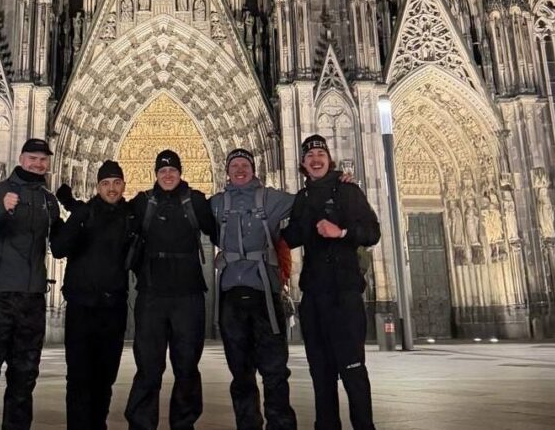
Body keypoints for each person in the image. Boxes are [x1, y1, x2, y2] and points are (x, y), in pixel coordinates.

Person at [0, 138, 61, 430]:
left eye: (43, 159)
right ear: (20, 158)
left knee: (24, 378)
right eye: (32, 158)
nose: (38, 164)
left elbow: (60, 240)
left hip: (31, 300)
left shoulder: (48, 199)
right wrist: (1, 209)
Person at [282, 135, 380, 430]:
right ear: (302, 164)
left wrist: (341, 233)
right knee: (320, 373)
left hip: (345, 294)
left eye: (321, 153)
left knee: (352, 369)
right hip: (314, 296)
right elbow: (291, 236)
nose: (315, 159)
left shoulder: (348, 191)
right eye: (310, 155)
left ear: (329, 159)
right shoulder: (302, 198)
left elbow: (372, 232)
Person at [124, 150, 216, 430]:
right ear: (155, 173)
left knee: (187, 367)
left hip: (188, 294)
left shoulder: (196, 201)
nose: (167, 175)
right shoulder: (142, 203)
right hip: (152, 294)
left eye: (172, 170)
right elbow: (111, 216)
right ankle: (141, 424)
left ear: (180, 172)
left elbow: (223, 228)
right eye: (162, 170)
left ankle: (184, 424)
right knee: (148, 369)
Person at [209, 149, 297, 430]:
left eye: (244, 165)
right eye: (234, 165)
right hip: (232, 298)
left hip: (265, 296)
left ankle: (281, 425)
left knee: (274, 371)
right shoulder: (216, 204)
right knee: (241, 373)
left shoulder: (270, 198)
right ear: (227, 172)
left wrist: (338, 181)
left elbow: (307, 202)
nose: (239, 169)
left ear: (253, 168)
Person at [51, 160, 134, 430]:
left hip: (113, 307)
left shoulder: (130, 216)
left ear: (124, 185)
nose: (112, 188)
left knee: (105, 376)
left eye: (116, 183)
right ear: (97, 187)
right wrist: (67, 220)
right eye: (106, 184)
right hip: (82, 307)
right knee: (78, 376)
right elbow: (59, 249)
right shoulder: (84, 214)